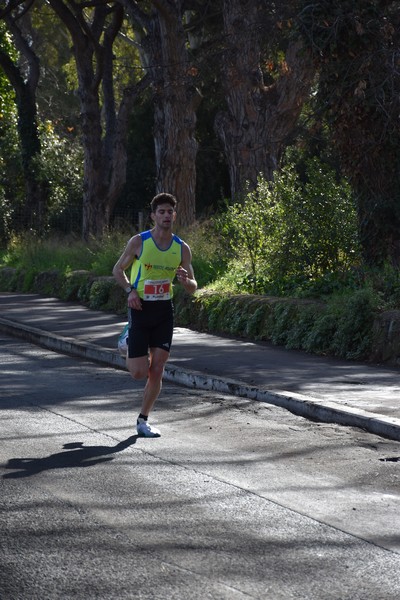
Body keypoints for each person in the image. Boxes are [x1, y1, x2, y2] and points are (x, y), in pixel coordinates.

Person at [112, 193, 197, 437]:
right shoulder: (139, 242)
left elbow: (193, 286)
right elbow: (118, 269)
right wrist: (130, 291)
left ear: (175, 215)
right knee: (139, 373)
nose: (166, 216)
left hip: (163, 311)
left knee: (157, 369)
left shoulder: (182, 248)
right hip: (140, 309)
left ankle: (143, 420)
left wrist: (185, 280)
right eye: (161, 212)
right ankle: (127, 340)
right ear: (153, 216)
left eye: (170, 212)